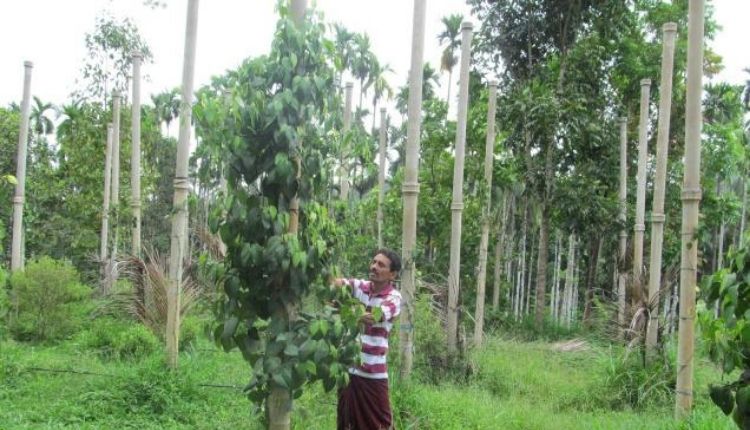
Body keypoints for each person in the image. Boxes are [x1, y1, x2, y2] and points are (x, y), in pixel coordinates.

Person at [335, 248, 402, 430]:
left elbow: (373, 317)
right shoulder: (359, 286)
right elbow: (335, 284)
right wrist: (325, 268)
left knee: (381, 424)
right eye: (374, 262)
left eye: (381, 265)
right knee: (346, 423)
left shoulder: (394, 297)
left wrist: (342, 309)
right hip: (348, 372)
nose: (374, 267)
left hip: (373, 375)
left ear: (392, 274)